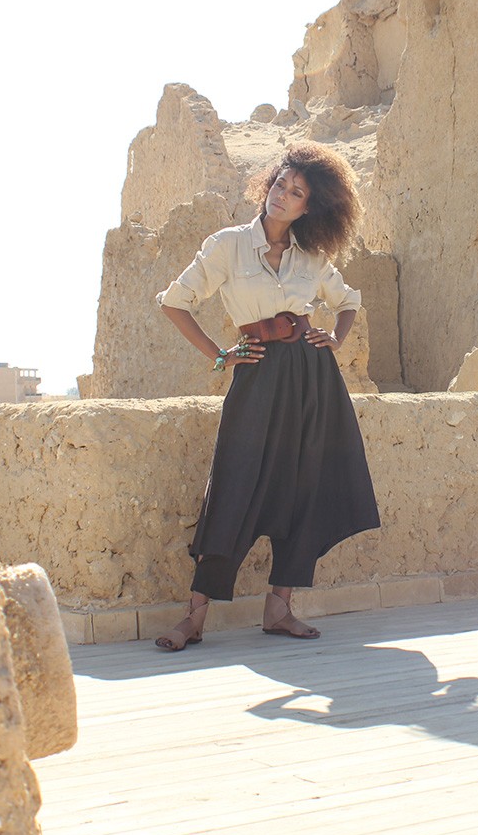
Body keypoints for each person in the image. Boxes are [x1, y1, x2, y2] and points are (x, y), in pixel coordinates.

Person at [154, 142, 380, 651]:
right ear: (268, 186)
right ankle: (194, 616)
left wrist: (336, 340)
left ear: (310, 207)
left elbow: (347, 303)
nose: (284, 195)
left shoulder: (313, 257)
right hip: (257, 373)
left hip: (313, 376)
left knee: (307, 485)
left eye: (297, 192)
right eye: (280, 184)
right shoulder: (228, 246)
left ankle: (280, 608)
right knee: (235, 480)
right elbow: (175, 302)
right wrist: (219, 354)